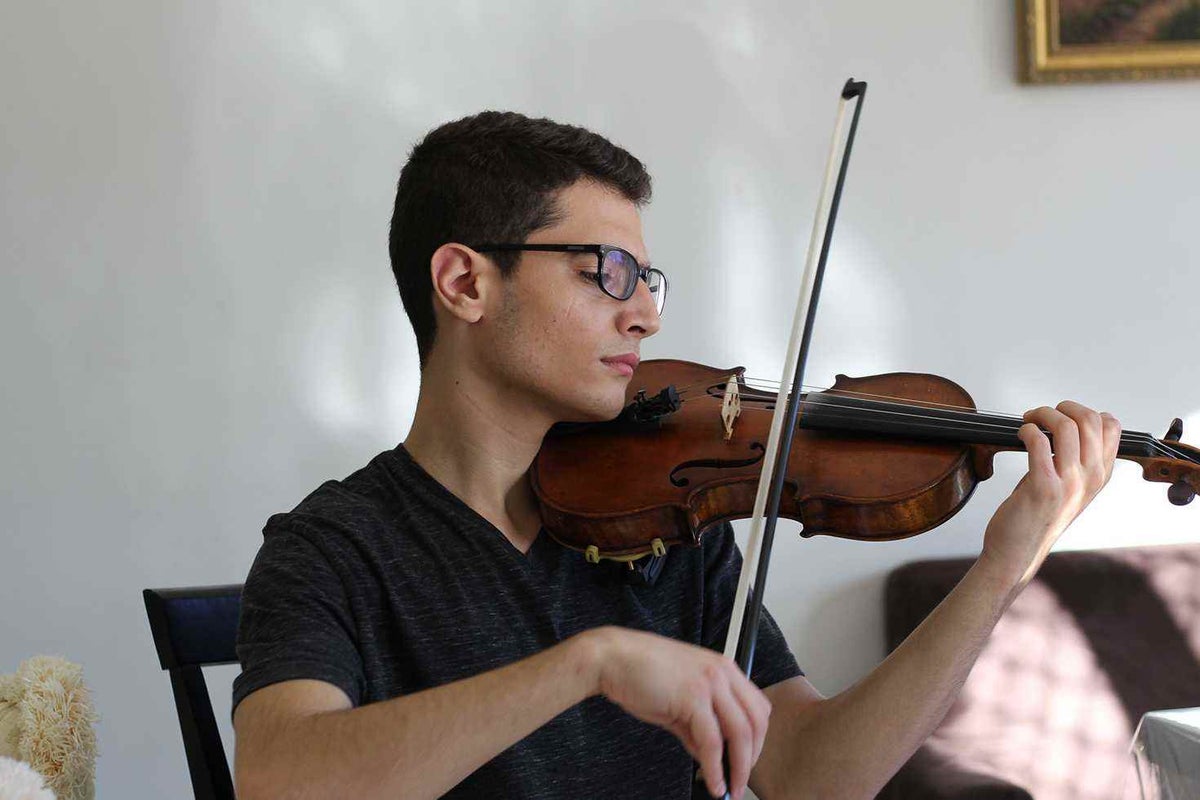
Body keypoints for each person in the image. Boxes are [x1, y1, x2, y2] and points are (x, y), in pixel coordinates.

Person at [230, 111, 1122, 800]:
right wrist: (591, 663)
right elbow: (277, 779)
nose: (646, 316)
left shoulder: (672, 521)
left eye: (646, 281)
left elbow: (815, 776)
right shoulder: (336, 547)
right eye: (606, 272)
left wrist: (1004, 568)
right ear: (466, 283)